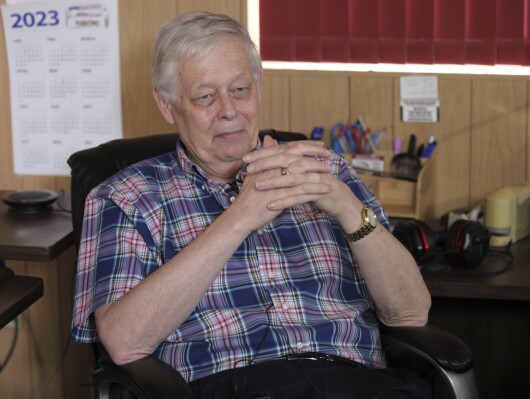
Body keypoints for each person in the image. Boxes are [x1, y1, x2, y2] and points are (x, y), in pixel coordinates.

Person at [71, 11, 432, 399]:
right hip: (229, 387)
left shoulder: (326, 171)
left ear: (259, 87)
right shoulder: (126, 196)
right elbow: (124, 342)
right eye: (205, 96)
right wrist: (240, 217)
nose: (228, 110)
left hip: (356, 382)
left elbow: (411, 312)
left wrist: (347, 208)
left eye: (240, 89)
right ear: (167, 104)